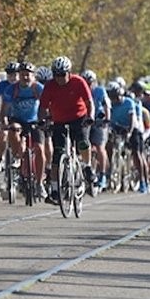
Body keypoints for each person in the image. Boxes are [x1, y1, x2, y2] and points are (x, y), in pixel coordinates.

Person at [39, 56, 94, 204]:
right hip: (59, 121)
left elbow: (89, 102)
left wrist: (91, 117)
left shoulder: (78, 82)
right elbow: (43, 107)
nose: (59, 78)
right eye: (56, 74)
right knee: (57, 155)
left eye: (62, 74)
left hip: (79, 118)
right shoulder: (50, 86)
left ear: (69, 73)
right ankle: (56, 190)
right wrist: (42, 121)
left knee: (82, 141)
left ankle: (87, 166)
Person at [2, 62, 45, 197]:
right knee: (13, 129)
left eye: (28, 75)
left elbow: (47, 105)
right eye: (22, 75)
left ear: (33, 76)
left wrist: (48, 119)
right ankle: (16, 157)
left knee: (39, 150)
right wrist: (4, 121)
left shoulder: (38, 88)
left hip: (34, 121)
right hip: (18, 120)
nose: (25, 77)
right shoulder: (12, 89)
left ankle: (39, 183)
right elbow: (4, 109)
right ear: (18, 76)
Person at [82, 70, 110, 188]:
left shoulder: (100, 90)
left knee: (100, 147)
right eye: (86, 82)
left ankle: (103, 175)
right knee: (84, 144)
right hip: (86, 120)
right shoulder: (81, 89)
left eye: (90, 82)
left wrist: (107, 119)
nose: (88, 85)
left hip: (99, 120)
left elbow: (106, 105)